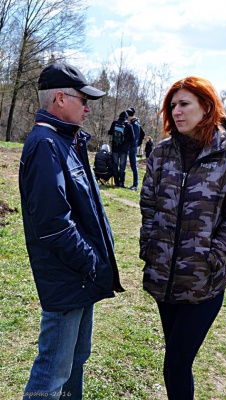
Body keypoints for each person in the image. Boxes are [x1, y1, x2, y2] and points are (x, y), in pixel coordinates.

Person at [139, 76, 226, 400]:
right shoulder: (161, 154)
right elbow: (148, 205)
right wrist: (150, 246)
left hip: (204, 284)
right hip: (164, 280)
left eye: (184, 104)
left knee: (176, 363)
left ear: (206, 107)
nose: (176, 111)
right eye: (172, 105)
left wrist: (212, 257)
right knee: (175, 362)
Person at [19, 62, 124, 400]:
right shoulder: (45, 145)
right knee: (52, 372)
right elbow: (53, 225)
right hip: (69, 277)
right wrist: (91, 261)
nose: (88, 107)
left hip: (81, 276)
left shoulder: (66, 140)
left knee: (76, 360)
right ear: (61, 98)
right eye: (84, 99)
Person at [108, 111, 134, 187]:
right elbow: (133, 138)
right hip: (124, 149)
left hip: (115, 148)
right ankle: (121, 183)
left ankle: (116, 182)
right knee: (122, 166)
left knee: (115, 165)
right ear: (126, 117)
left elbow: (109, 132)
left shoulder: (114, 123)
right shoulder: (128, 125)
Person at [126, 107, 145, 190]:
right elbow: (143, 134)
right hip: (133, 146)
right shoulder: (136, 122)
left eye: (127, 116)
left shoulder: (134, 124)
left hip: (132, 147)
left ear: (130, 116)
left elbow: (133, 136)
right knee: (133, 165)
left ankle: (135, 185)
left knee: (133, 165)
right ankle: (135, 184)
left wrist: (136, 144)